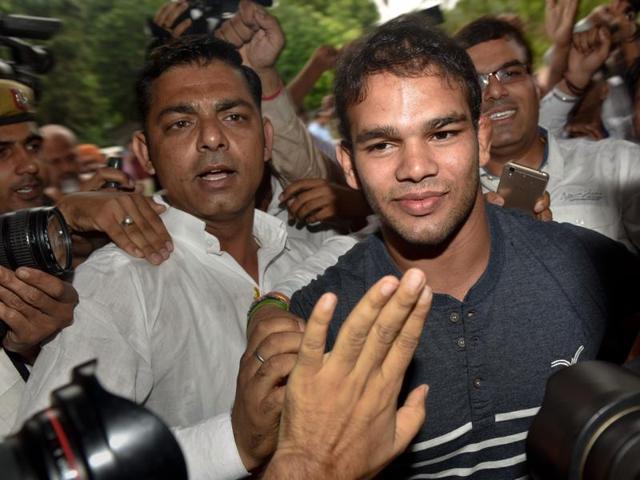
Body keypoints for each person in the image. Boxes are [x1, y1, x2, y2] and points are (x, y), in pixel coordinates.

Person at [280, 18, 640, 479]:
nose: (416, 167)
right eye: (383, 144)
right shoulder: (321, 326)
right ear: (349, 166)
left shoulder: (581, 263)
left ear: (482, 137)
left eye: (443, 133)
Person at [14, 35, 328, 479]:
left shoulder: (310, 251)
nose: (213, 139)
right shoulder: (121, 283)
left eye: (234, 116)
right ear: (146, 154)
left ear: (266, 138)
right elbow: (52, 466)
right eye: (181, 123)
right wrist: (235, 440)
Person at [0, 78, 172, 436]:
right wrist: (61, 219)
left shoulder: (61, 253)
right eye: (1, 152)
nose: (29, 164)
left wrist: (74, 247)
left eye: (31, 146)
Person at [454, 16, 640, 252]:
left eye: (510, 73)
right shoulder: (453, 207)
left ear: (536, 84)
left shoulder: (617, 165)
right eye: (475, 82)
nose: (495, 91)